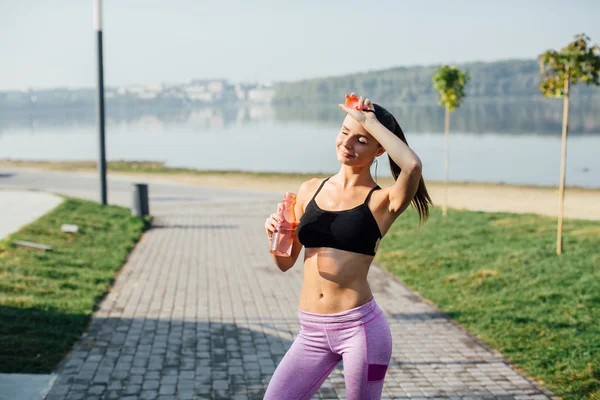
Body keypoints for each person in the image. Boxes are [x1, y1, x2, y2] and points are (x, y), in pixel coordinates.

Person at [263, 94, 432, 400]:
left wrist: (370, 121)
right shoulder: (309, 189)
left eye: (361, 140)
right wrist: (275, 235)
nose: (347, 144)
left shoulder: (382, 201)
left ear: (380, 148)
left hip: (360, 332)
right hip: (311, 332)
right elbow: (285, 263)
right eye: (344, 133)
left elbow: (412, 166)